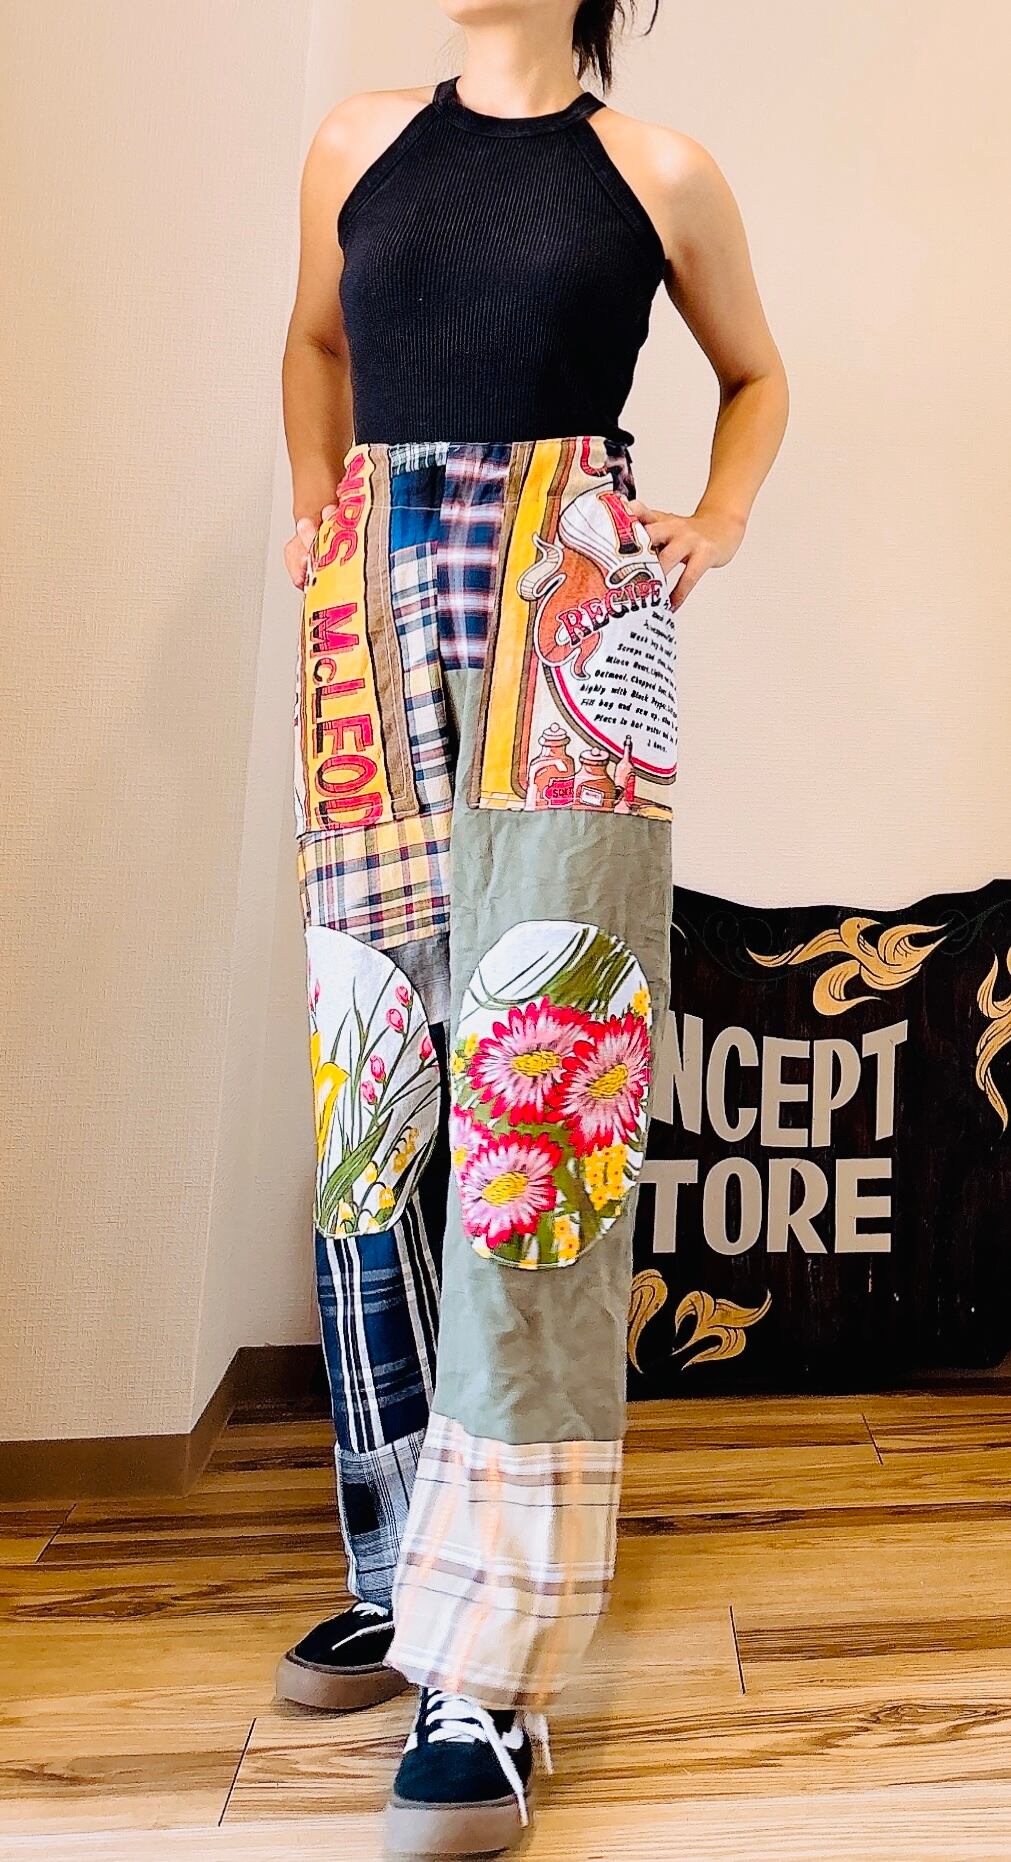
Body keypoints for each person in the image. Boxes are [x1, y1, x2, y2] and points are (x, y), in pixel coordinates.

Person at [278, 1, 788, 1851]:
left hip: (568, 630)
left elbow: (756, 375)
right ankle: (409, 1567)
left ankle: (489, 1667)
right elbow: (315, 345)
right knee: (375, 1110)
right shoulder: (357, 144)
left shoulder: (656, 172)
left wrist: (714, 519)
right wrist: (316, 526)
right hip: (373, 630)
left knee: (537, 1118)